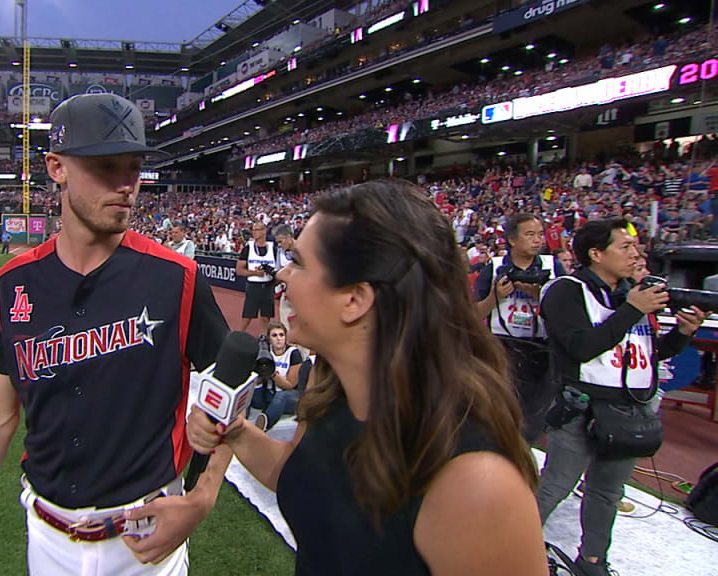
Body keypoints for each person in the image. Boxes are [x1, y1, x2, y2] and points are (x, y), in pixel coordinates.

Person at [0, 93, 231, 576]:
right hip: (47, 539)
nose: (126, 184)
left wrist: (204, 497)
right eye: (105, 166)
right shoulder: (12, 284)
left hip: (147, 542)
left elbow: (234, 391)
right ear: (56, 167)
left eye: (133, 166)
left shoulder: (177, 278)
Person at [188, 181, 547, 576]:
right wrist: (236, 432)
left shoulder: (477, 481)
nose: (285, 274)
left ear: (355, 299)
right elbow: (301, 478)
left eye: (302, 264)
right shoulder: (331, 392)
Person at [536, 219, 706, 576]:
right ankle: (508, 547)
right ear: (596, 254)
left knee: (607, 493)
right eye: (625, 247)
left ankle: (593, 561)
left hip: (631, 412)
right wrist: (633, 310)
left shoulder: (632, 292)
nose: (636, 253)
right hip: (582, 409)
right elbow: (581, 348)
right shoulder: (566, 289)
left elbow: (646, 355)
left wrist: (682, 335)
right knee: (557, 486)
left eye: (636, 246)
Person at [475, 213, 565, 443]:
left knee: (534, 414)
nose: (537, 240)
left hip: (541, 348)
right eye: (530, 234)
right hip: (503, 345)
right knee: (497, 408)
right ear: (512, 240)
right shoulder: (494, 268)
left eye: (539, 234)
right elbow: (473, 314)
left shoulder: (553, 267)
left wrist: (541, 296)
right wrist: (494, 297)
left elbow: (568, 314)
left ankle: (523, 453)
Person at [250, 321, 303, 432]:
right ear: (269, 339)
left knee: (281, 396)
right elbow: (257, 382)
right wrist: (259, 370)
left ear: (285, 337)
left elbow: (290, 385)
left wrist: (271, 373)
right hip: (268, 394)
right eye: (274, 335)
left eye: (281, 335)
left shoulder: (293, 354)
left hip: (290, 397)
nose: (278, 338)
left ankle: (263, 426)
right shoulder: (265, 352)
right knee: (250, 391)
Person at [236, 221, 276, 333]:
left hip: (268, 286)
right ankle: (237, 338)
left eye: (257, 229)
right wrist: (255, 273)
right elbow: (239, 270)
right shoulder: (248, 248)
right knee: (247, 317)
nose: (255, 232)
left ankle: (265, 340)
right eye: (253, 230)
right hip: (253, 286)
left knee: (266, 317)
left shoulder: (273, 248)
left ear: (264, 231)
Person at [273, 224, 296, 332]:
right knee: (285, 327)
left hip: (302, 297)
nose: (279, 245)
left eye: (280, 242)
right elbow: (278, 272)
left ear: (289, 238)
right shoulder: (280, 252)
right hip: (285, 294)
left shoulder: (305, 250)